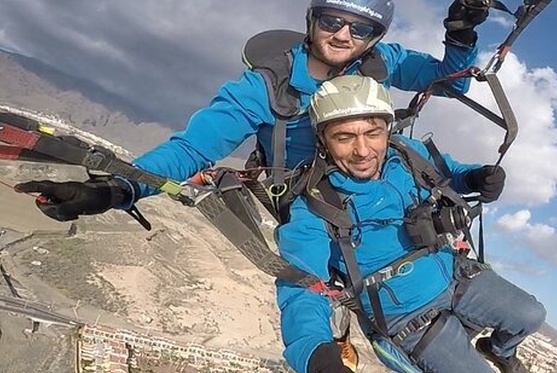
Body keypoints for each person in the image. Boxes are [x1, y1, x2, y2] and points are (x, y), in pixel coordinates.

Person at [15, 0, 491, 220]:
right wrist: (117, 188)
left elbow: (450, 82)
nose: (344, 35)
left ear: (373, 38)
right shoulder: (266, 86)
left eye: (360, 29)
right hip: (315, 201)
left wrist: (461, 36)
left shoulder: (382, 62)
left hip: (376, 180)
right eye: (332, 21)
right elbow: (192, 150)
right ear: (313, 21)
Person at [279, 75, 547, 373]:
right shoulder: (314, 205)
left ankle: (499, 350)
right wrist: (318, 360)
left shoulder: (407, 155)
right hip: (406, 314)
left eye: (373, 133)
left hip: (452, 272)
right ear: (323, 140)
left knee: (531, 315)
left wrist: (474, 177)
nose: (363, 151)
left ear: (387, 130)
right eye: (344, 137)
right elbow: (301, 288)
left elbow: (448, 172)